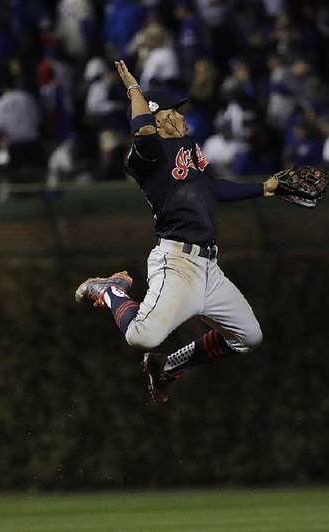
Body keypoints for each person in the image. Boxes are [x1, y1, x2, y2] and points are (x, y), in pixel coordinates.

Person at [75, 60, 280, 403]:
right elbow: (142, 129)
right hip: (177, 263)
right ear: (161, 117)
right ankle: (109, 291)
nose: (182, 116)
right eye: (175, 111)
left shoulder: (189, 148)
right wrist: (134, 89)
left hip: (209, 268)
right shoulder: (147, 155)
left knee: (248, 336)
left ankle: (168, 367)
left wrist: (265, 188)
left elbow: (215, 188)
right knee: (141, 336)